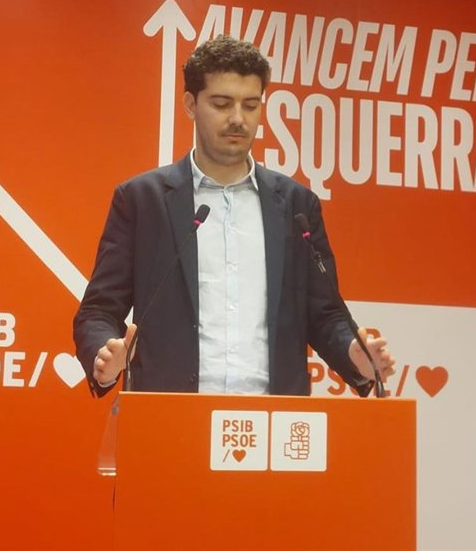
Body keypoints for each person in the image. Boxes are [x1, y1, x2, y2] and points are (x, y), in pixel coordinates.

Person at [73, 35, 395, 397]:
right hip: (171, 416)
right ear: (191, 104)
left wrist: (353, 355)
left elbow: (325, 313)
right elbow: (99, 311)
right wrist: (104, 355)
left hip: (273, 420)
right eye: (222, 104)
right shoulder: (143, 200)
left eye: (251, 105)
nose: (238, 119)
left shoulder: (296, 205)